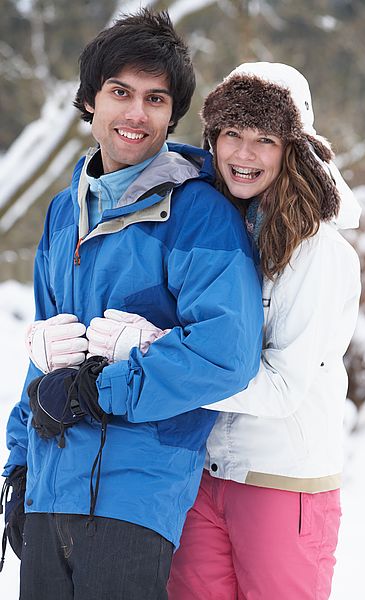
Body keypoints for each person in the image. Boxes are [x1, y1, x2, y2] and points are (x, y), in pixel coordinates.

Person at [2, 12, 263, 600]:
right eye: (120, 92)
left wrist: (103, 389)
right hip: (49, 487)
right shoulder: (63, 212)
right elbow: (50, 353)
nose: (136, 114)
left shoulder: (201, 215)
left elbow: (228, 353)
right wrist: (19, 467)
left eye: (155, 98)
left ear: (174, 115)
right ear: (90, 101)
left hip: (136, 496)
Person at [168, 62, 362, 599]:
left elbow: (281, 388)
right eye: (232, 134)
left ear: (292, 149)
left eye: (265, 139)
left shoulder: (318, 252)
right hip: (203, 473)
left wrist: (161, 361)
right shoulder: (217, 231)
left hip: (282, 480)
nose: (244, 155)